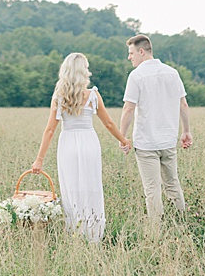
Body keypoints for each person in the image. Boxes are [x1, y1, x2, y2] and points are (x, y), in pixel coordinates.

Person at [30, 52, 128, 243]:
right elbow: (108, 123)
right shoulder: (92, 95)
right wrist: (124, 140)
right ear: (84, 71)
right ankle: (94, 234)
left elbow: (50, 130)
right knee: (91, 186)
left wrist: (39, 160)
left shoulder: (59, 96)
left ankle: (75, 232)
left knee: (71, 189)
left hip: (67, 145)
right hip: (89, 143)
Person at [118, 34, 193, 227]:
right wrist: (186, 131)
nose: (129, 57)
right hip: (168, 140)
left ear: (141, 51)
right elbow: (183, 104)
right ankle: (181, 222)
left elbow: (128, 108)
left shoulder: (136, 76)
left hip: (146, 143)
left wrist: (122, 137)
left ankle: (155, 231)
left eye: (131, 53)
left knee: (152, 189)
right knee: (172, 183)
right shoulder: (172, 73)